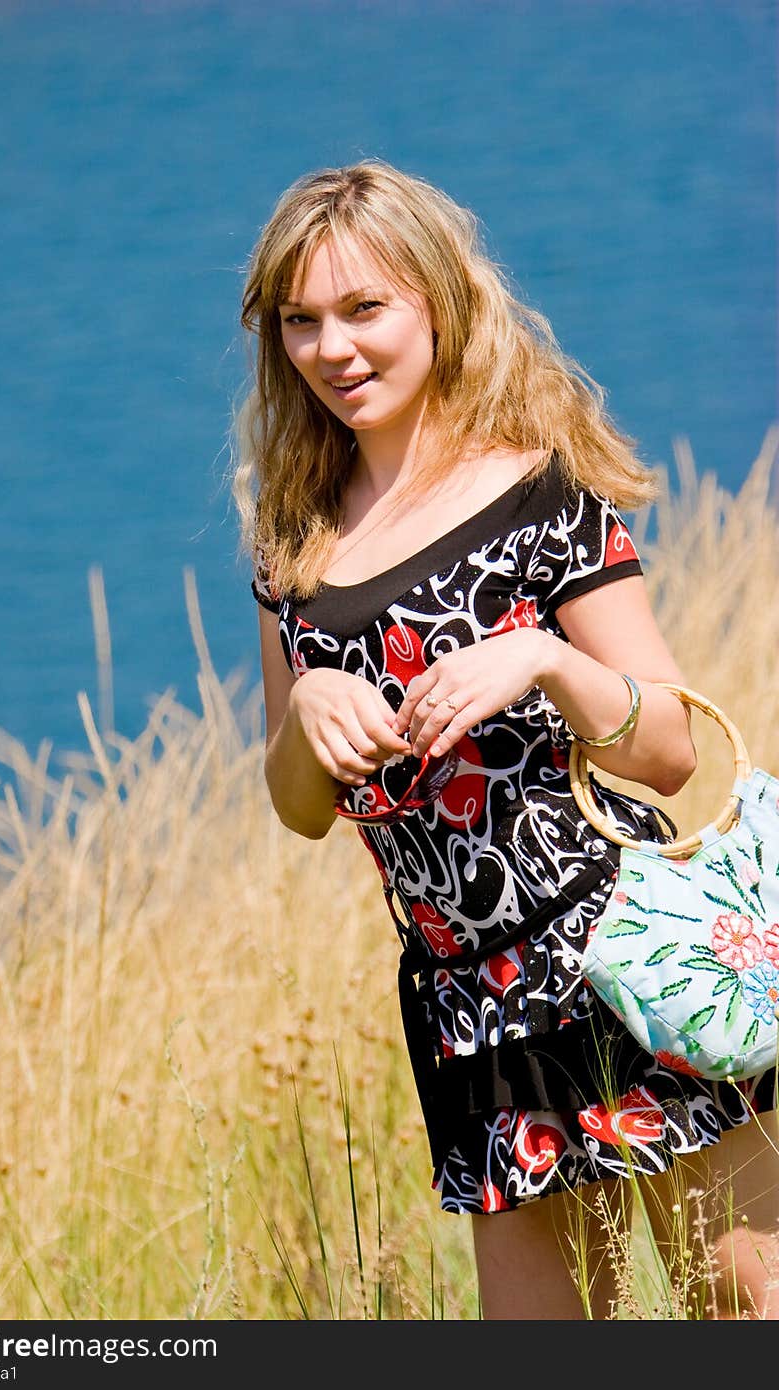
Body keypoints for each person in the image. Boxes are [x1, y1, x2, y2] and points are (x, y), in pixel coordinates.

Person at [232, 158, 778, 1320]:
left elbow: (671, 749)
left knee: (742, 1307)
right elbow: (297, 805)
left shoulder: (538, 493)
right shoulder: (291, 553)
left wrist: (543, 661)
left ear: (437, 301)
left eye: (364, 309)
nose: (333, 349)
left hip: (626, 958)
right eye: (300, 321)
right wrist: (306, 722)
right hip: (467, 1005)